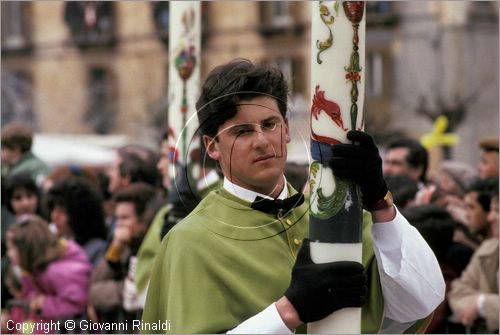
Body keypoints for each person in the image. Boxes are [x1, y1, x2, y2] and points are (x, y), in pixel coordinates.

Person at [142, 59, 445, 333]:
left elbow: (421, 300)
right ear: (212, 146)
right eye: (242, 131)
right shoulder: (190, 241)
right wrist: (289, 311)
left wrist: (379, 201)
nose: (261, 141)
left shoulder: (342, 218)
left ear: (286, 129)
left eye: (269, 124)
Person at [89, 183, 160, 330]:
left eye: (125, 218)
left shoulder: (157, 248)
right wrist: (115, 249)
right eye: (117, 219)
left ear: (145, 219)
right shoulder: (123, 247)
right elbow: (93, 290)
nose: (119, 225)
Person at [4, 214, 92, 330]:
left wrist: (45, 304)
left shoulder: (58, 272)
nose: (8, 254)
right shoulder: (36, 270)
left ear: (28, 250)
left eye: (12, 248)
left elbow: (77, 304)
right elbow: (32, 294)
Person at [448, 185, 499, 333]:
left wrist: (482, 303)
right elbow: (458, 291)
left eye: (497, 211)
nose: (491, 217)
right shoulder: (488, 249)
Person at [45, 176, 108, 265]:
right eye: (53, 209)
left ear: (80, 214)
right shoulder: (55, 244)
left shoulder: (96, 249)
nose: (54, 216)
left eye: (62, 211)